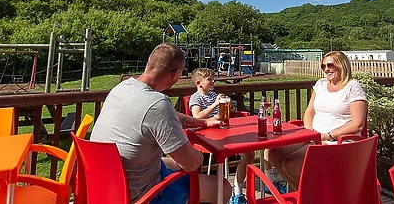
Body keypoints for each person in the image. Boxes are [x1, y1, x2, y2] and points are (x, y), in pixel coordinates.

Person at [91, 43, 232, 204]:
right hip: (140, 195)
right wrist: (200, 156)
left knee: (174, 164)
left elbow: (168, 115)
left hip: (105, 185)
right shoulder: (157, 104)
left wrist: (203, 122)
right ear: (175, 73)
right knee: (221, 187)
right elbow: (191, 163)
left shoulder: (122, 88)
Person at [267, 51, 368, 190]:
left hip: (339, 142)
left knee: (291, 164)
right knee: (274, 153)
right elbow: (309, 112)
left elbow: (358, 124)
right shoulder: (320, 84)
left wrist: (327, 135)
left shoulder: (353, 87)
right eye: (323, 66)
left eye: (330, 65)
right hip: (315, 138)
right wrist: (309, 131)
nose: (326, 69)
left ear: (342, 65)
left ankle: (313, 195)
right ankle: (304, 194)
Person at [188, 68, 255, 204]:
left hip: (224, 130)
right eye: (209, 80)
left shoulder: (213, 94)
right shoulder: (196, 97)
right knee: (235, 154)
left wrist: (230, 108)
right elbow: (197, 116)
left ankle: (237, 190)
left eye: (213, 79)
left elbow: (222, 113)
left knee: (249, 154)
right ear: (199, 83)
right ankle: (222, 193)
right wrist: (215, 104)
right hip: (209, 136)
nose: (213, 81)